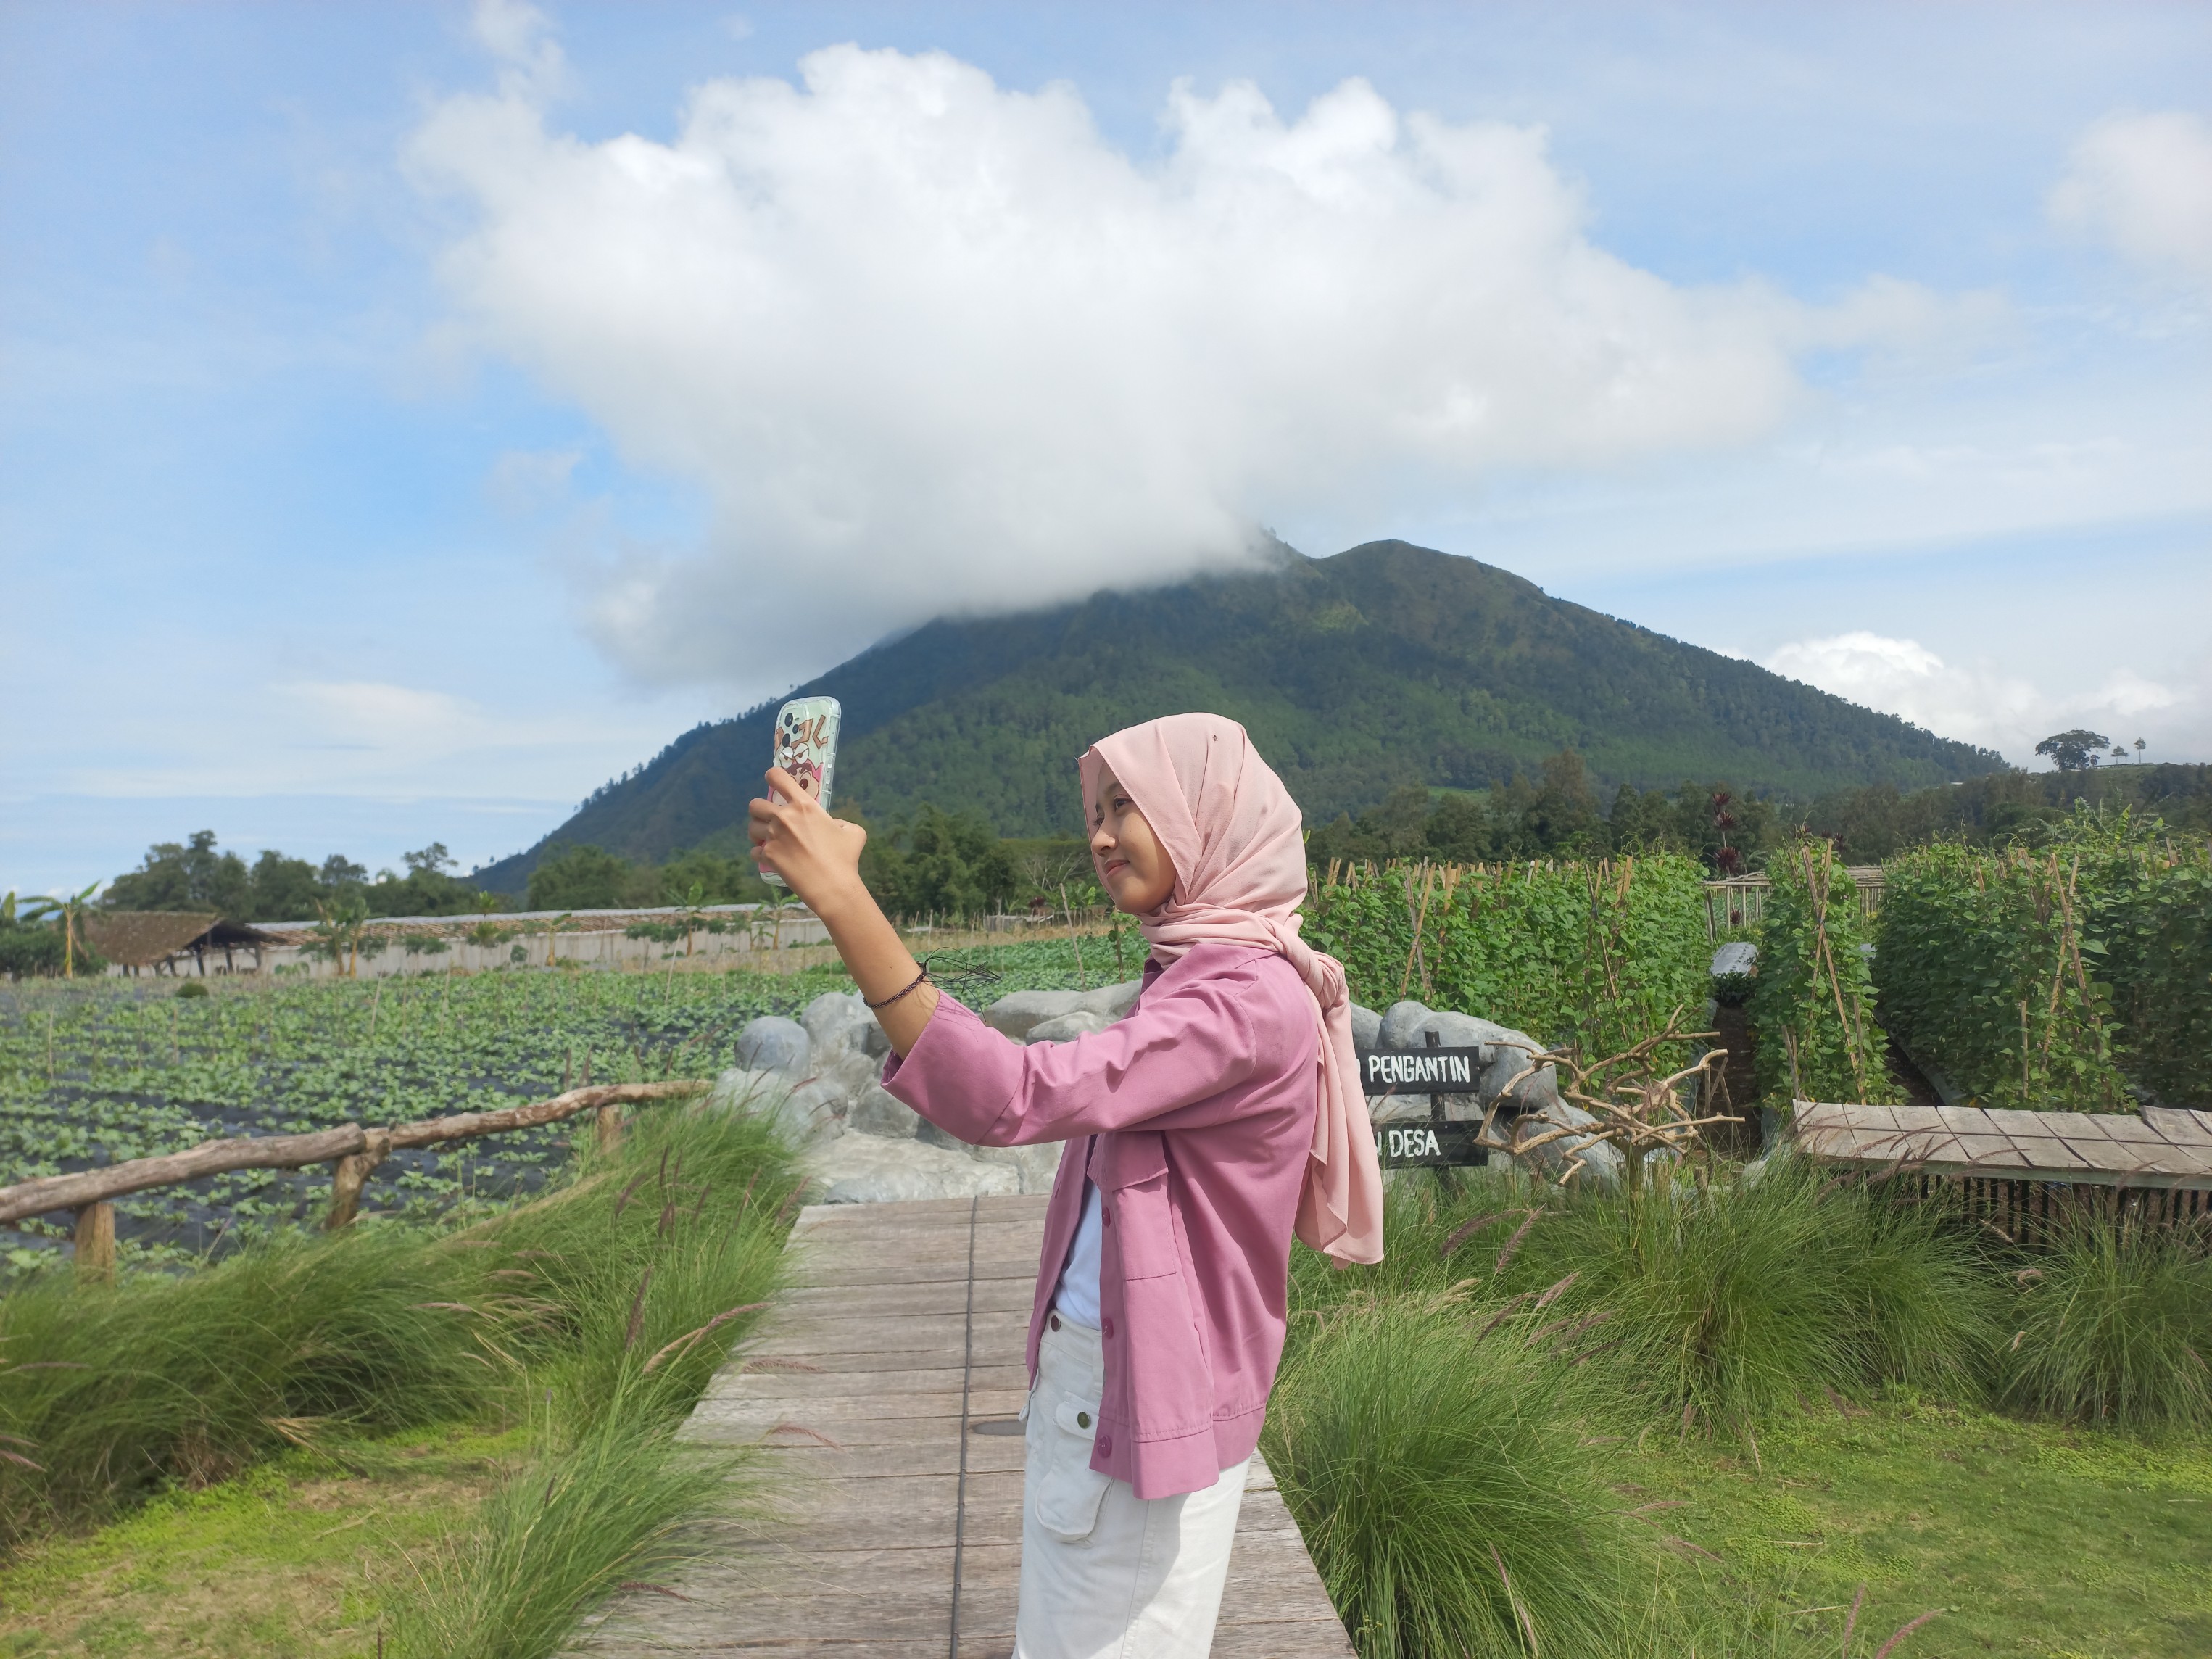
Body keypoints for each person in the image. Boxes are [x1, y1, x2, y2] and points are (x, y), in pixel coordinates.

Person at [749, 711, 1384, 1659]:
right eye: (1096, 811)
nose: (1100, 835)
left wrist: (846, 899)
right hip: (1106, 1379)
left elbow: (1012, 1094)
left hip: (1132, 1395)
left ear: (1205, 816)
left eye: (1128, 807)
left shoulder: (1242, 1002)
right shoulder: (1203, 972)